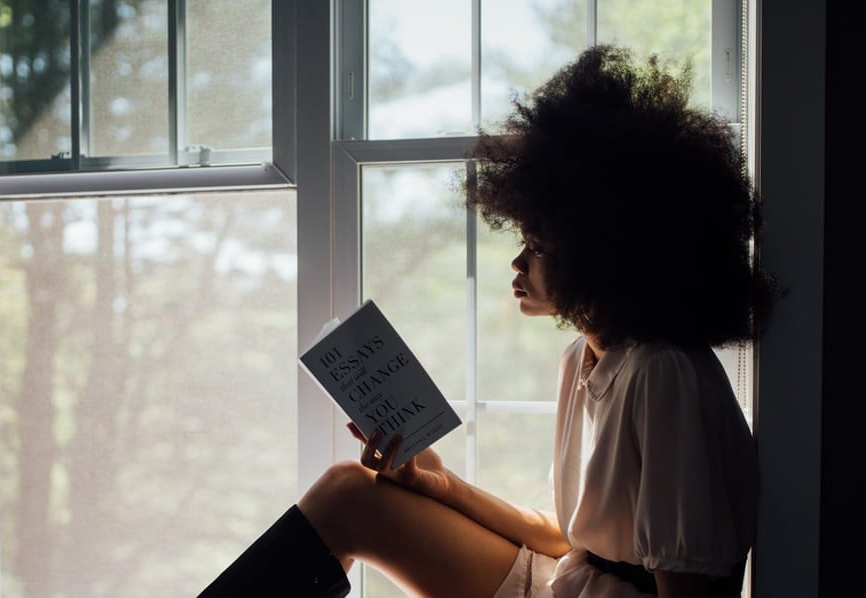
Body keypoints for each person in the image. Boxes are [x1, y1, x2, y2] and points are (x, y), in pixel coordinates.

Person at [199, 44, 777, 598]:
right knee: (348, 489)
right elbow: (563, 536)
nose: (517, 262)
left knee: (347, 497)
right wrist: (437, 485)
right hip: (571, 581)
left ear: (601, 256)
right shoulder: (586, 356)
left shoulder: (663, 373)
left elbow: (687, 589)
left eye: (537, 247)